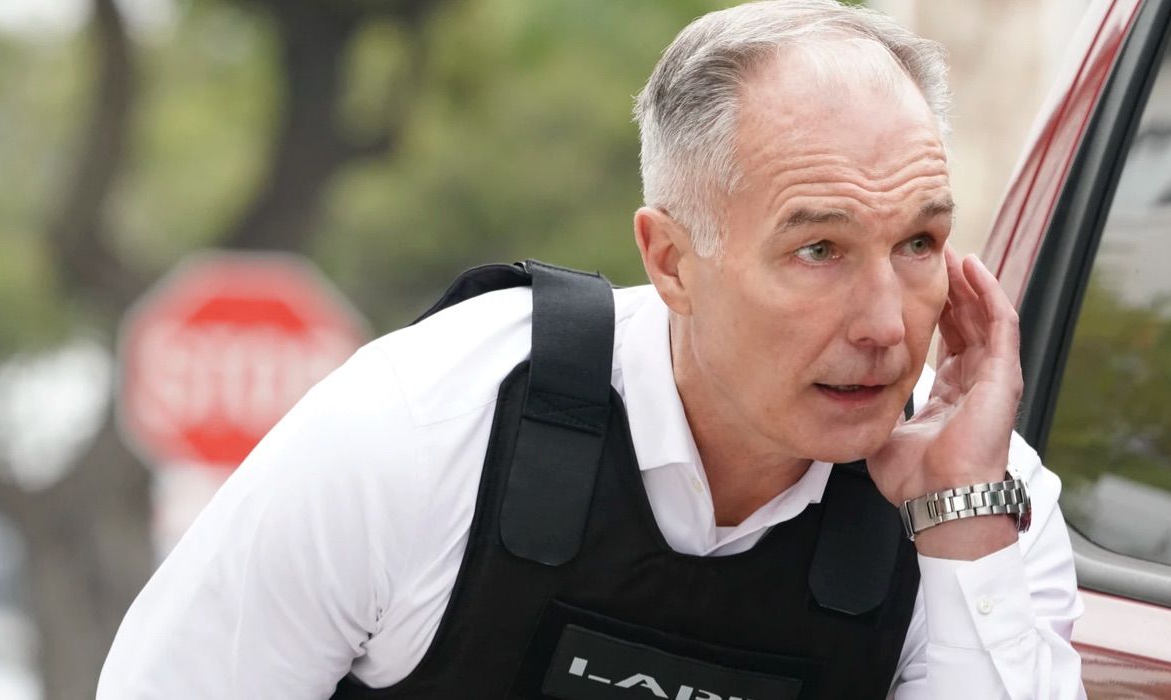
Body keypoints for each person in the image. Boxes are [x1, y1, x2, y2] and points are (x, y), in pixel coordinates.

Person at [99, 1, 1084, 697]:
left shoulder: (982, 502)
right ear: (669, 259)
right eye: (818, 248)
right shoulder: (422, 428)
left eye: (916, 243)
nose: (883, 322)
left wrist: (959, 523)